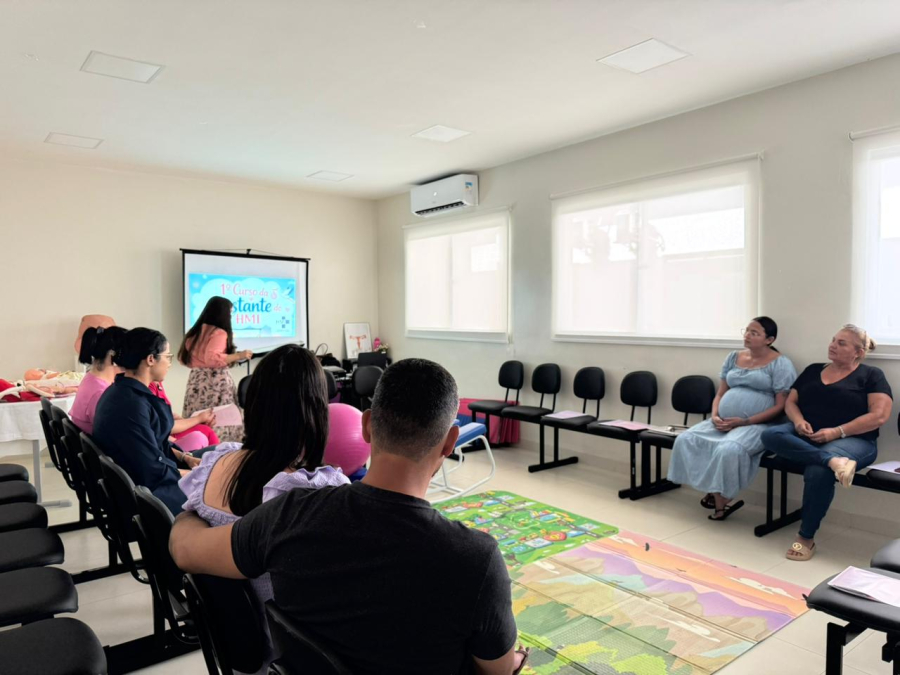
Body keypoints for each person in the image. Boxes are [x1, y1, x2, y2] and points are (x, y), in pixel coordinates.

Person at [171, 359, 528, 675]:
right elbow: (495, 670)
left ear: (367, 425)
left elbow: (184, 550)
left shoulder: (287, 512)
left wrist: (191, 511)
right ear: (450, 443)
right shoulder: (476, 560)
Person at [178, 344, 349, 674]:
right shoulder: (312, 492)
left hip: (238, 646)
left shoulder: (217, 463)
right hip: (294, 655)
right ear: (316, 408)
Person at [761, 325, 893, 561]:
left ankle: (805, 537)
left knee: (817, 470)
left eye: (841, 343)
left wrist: (836, 432)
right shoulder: (813, 370)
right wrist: (798, 421)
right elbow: (791, 403)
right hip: (806, 433)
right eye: (833, 340)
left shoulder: (872, 375)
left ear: (858, 352)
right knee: (770, 435)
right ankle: (833, 461)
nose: (832, 345)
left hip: (855, 440)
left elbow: (879, 416)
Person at [668, 317, 797, 520]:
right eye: (747, 331)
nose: (747, 335)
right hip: (724, 421)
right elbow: (720, 393)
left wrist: (745, 421)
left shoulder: (781, 364)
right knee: (687, 439)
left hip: (759, 424)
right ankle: (713, 489)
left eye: (754, 333)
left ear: (769, 339)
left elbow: (781, 406)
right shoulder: (733, 357)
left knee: (728, 449)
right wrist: (715, 415)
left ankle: (722, 498)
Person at [94, 328, 200, 515]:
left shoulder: (121, 391)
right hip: (146, 494)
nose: (169, 363)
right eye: (168, 357)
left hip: (141, 481)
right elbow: (152, 468)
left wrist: (186, 458)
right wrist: (195, 475)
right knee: (223, 490)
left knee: (219, 458)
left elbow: (153, 444)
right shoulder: (131, 404)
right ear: (151, 359)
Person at [179, 296, 252, 442]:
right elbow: (212, 358)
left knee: (196, 422)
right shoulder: (219, 332)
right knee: (221, 422)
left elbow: (184, 358)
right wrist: (239, 355)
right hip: (216, 383)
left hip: (196, 380)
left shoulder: (195, 332)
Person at [70, 325, 128, 435]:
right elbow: (114, 434)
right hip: (99, 443)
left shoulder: (91, 378)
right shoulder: (100, 393)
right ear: (113, 354)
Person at [148, 380, 219, 454]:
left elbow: (162, 417)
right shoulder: (148, 387)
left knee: (206, 431)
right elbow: (159, 426)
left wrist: (179, 418)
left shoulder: (157, 383)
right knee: (199, 437)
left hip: (169, 430)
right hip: (165, 437)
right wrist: (198, 419)